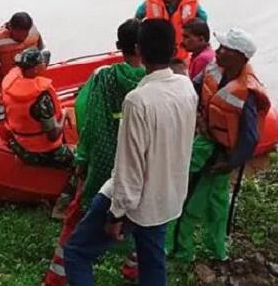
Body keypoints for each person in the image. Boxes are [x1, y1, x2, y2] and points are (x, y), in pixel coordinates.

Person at [63, 19, 198, 286]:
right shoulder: (186, 87)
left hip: (135, 201)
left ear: (139, 49)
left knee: (76, 252)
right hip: (168, 197)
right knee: (152, 262)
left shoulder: (138, 101)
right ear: (174, 50)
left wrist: (116, 214)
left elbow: (129, 167)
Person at [43, 19, 146, 286]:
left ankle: (58, 276)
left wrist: (82, 159)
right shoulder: (152, 80)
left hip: (105, 163)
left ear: (117, 47)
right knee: (143, 219)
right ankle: (134, 268)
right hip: (140, 165)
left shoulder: (104, 77)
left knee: (77, 216)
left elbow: (89, 120)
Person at [169, 28, 271, 263]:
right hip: (206, 142)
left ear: (239, 57)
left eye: (224, 49)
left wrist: (231, 163)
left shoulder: (247, 92)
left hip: (221, 153)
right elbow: (192, 90)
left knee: (196, 202)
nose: (218, 51)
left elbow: (250, 136)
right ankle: (204, 249)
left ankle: (186, 251)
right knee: (207, 199)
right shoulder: (214, 69)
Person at [1, 47, 73, 168]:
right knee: (82, 158)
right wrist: (65, 113)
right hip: (42, 151)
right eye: (42, 63)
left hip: (19, 144)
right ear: (35, 69)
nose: (45, 63)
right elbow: (53, 135)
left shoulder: (10, 85)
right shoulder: (41, 97)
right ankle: (73, 184)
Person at [134, 0, 207, 61]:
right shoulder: (149, 2)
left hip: (182, 57)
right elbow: (136, 21)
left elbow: (203, 25)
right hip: (156, 56)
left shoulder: (192, 4)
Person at [0, 12, 45, 83]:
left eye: (25, 35)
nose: (22, 39)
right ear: (10, 27)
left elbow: (43, 52)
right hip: (11, 85)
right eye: (18, 35)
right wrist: (5, 82)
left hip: (33, 82)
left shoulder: (34, 31)